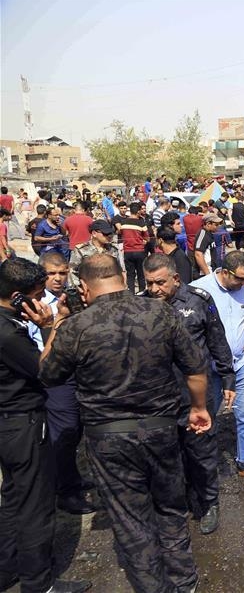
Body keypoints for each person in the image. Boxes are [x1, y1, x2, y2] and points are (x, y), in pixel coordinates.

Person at [37, 253, 210, 593]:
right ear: (121, 276)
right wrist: (199, 408)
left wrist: (55, 323)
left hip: (109, 438)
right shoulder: (160, 311)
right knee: (170, 507)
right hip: (161, 429)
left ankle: (152, 587)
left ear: (84, 286)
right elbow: (195, 367)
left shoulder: (76, 326)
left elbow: (47, 374)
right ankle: (184, 582)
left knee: (131, 519)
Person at [0, 258, 92, 593]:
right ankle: (39, 584)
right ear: (16, 297)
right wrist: (50, 326)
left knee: (12, 499)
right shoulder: (9, 333)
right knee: (36, 506)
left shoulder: (7, 320)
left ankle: (7, 569)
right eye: (36, 295)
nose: (42, 302)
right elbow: (46, 370)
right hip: (23, 425)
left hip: (9, 425)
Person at [142, 253, 236, 535]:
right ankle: (178, 499)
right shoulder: (141, 304)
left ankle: (208, 503)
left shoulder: (198, 300)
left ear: (176, 279)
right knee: (167, 452)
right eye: (149, 283)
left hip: (196, 394)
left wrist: (228, 376)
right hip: (158, 395)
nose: (154, 289)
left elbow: (217, 339)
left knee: (201, 452)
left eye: (160, 283)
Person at [192, 252, 244, 483]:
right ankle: (199, 468)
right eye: (239, 279)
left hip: (239, 364)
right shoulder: (199, 290)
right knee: (206, 418)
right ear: (225, 272)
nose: (243, 284)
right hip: (209, 368)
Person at [70, 220, 122, 287]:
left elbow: (119, 270)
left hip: (110, 288)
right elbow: (73, 271)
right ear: (94, 233)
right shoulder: (81, 250)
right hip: (90, 289)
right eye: (105, 234)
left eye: (110, 233)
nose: (109, 236)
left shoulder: (113, 249)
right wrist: (78, 288)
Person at [193, 213, 224, 277]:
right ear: (208, 224)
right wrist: (207, 274)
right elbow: (198, 254)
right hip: (204, 273)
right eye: (216, 225)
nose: (218, 226)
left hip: (211, 269)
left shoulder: (209, 234)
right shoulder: (202, 234)